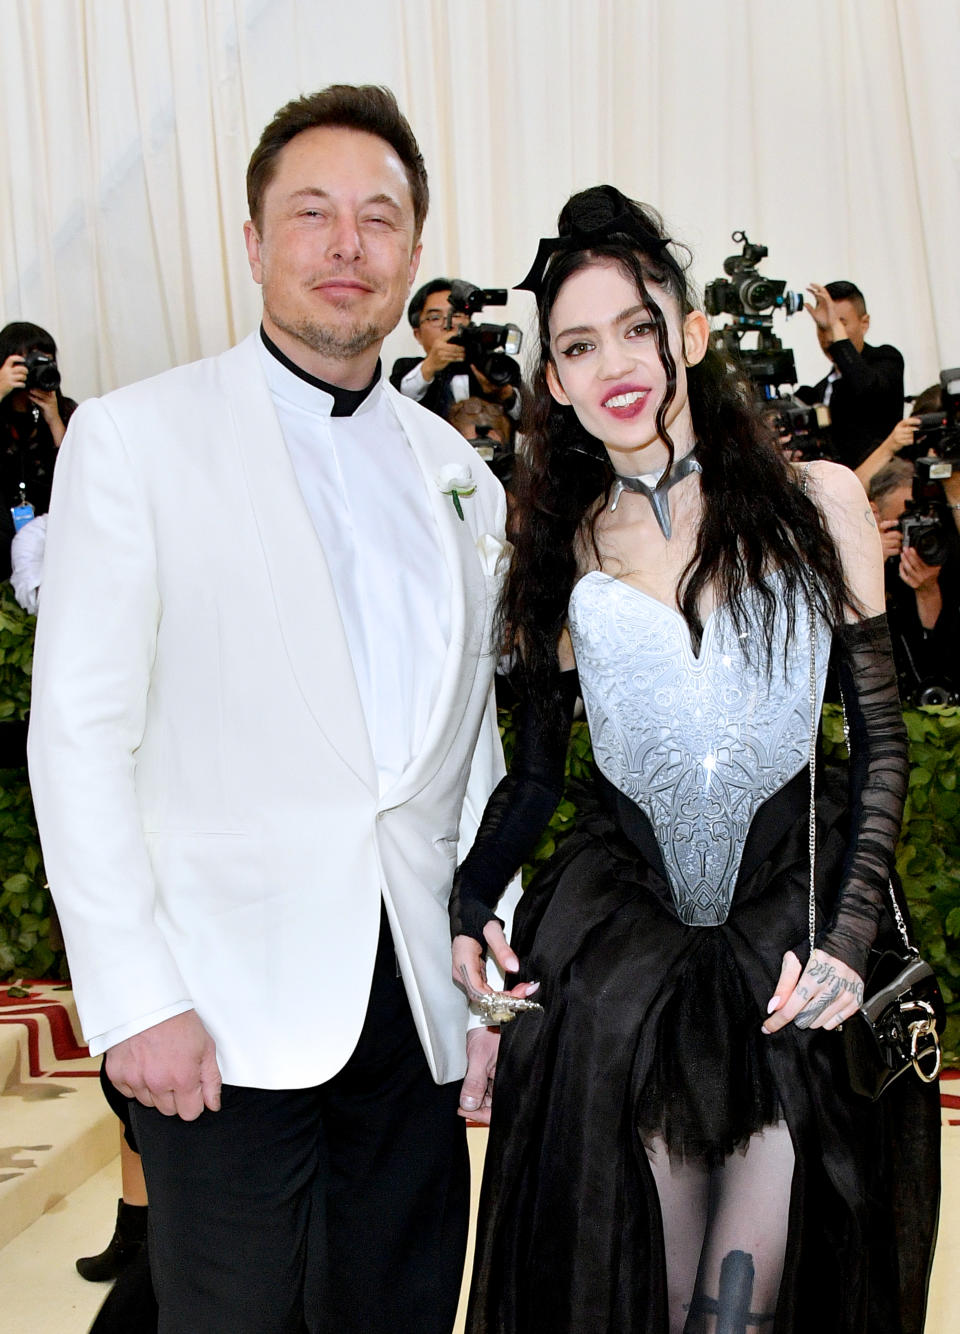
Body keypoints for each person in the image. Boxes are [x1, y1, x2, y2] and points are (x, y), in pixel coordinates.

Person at [28, 83, 515, 1334]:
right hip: (217, 1020)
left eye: (378, 217)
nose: (346, 244)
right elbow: (79, 734)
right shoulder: (136, 441)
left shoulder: (461, 475)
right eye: (312, 212)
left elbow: (476, 753)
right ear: (254, 243)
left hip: (410, 1012)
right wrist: (133, 994)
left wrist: (487, 984)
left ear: (413, 249)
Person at [449, 186, 940, 1333]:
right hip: (629, 963)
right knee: (651, 1296)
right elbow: (535, 780)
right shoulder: (556, 548)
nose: (613, 361)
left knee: (744, 1304)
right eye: (578, 344)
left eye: (636, 325)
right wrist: (470, 901)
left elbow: (878, 743)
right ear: (556, 381)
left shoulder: (817, 502)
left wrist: (850, 934)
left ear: (692, 333)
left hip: (790, 940)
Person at [869, 457, 960, 704]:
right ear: (875, 513)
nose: (920, 529)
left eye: (926, 516)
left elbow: (940, 664)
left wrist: (928, 590)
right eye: (909, 518)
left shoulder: (943, 552)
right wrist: (866, 563)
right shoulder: (856, 556)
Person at [795, 281, 904, 470]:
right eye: (822, 327)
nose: (829, 335)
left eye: (840, 323)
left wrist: (835, 330)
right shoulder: (820, 389)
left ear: (864, 323)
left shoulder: (886, 359)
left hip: (879, 481)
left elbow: (866, 387)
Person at [390, 277, 522, 427]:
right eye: (435, 318)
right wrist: (430, 366)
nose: (448, 325)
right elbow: (395, 407)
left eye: (457, 315)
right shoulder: (408, 369)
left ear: (469, 322)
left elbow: (529, 419)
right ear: (418, 334)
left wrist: (504, 393)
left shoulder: (495, 366)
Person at [0, 322, 76, 568]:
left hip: (54, 533)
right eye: (28, 360)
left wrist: (53, 418)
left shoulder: (65, 410)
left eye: (45, 359)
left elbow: (81, 471)